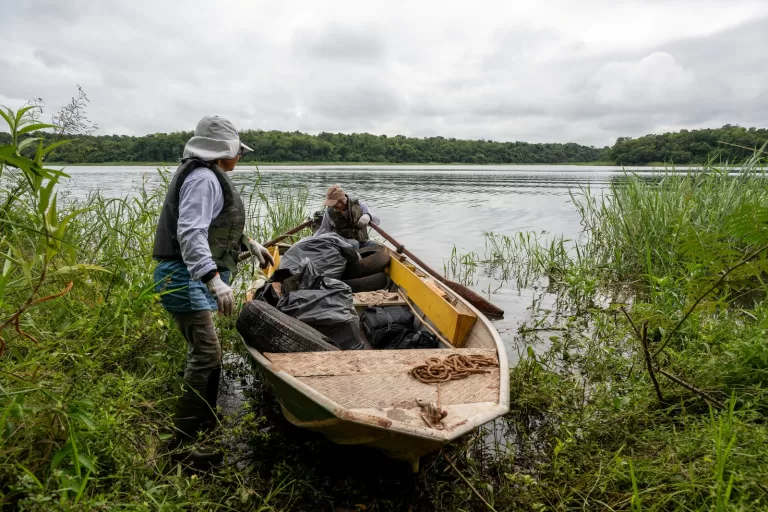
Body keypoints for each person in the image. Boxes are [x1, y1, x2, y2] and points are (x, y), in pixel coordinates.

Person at [152, 115, 273, 467]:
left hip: (187, 276)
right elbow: (190, 232)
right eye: (238, 151)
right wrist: (214, 279)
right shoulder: (204, 179)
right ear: (225, 150)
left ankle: (204, 423)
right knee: (206, 353)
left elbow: (214, 226)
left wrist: (251, 244)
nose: (240, 158)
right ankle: (181, 446)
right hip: (182, 276)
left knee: (206, 353)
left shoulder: (206, 176)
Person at [314, 184, 380, 248]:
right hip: (341, 247)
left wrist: (368, 216)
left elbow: (377, 222)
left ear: (342, 200)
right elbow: (322, 230)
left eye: (334, 203)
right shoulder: (329, 212)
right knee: (354, 244)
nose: (332, 206)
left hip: (362, 244)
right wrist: (312, 240)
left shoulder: (360, 205)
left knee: (375, 245)